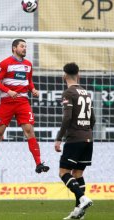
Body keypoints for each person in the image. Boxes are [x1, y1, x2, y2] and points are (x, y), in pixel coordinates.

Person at [0, 39, 49, 178]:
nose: (24, 49)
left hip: (23, 102)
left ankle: (38, 163)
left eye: (25, 46)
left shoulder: (28, 65)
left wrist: (33, 89)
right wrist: (8, 90)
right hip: (7, 102)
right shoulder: (5, 63)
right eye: (22, 46)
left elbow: (29, 81)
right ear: (14, 48)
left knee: (29, 131)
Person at [55, 63, 95, 219]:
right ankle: (79, 211)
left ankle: (83, 199)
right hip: (88, 138)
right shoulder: (86, 93)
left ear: (64, 76)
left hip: (74, 139)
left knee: (63, 172)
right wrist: (87, 131)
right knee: (78, 174)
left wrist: (59, 139)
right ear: (79, 75)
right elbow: (93, 119)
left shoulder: (68, 93)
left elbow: (67, 118)